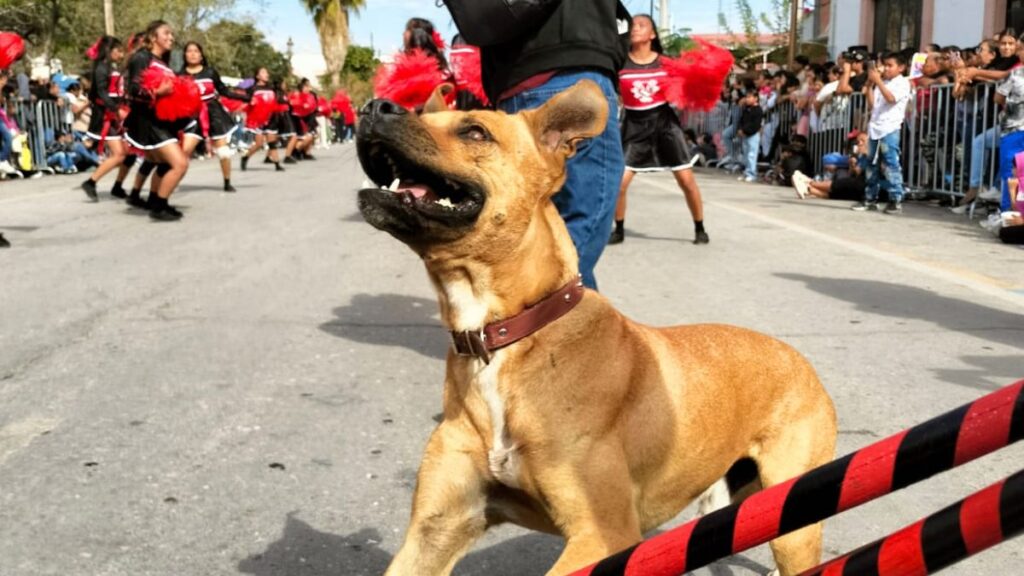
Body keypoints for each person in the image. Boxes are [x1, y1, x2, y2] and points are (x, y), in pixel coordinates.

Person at [442, 0, 628, 289]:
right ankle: (531, 317)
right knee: (579, 227)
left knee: (526, 224)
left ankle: (515, 310)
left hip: (513, 86)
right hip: (570, 71)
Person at [608, 14, 708, 246]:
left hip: (665, 125)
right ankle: (619, 228)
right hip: (633, 125)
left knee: (686, 180)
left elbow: (687, 88)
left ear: (652, 35)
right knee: (619, 183)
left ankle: (700, 227)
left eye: (642, 26)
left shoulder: (666, 63)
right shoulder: (620, 63)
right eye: (632, 26)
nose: (635, 29)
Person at [123, 20, 191, 221]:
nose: (171, 37)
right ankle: (158, 207)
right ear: (153, 37)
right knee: (179, 164)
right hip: (148, 122)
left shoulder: (163, 62)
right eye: (166, 33)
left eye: (172, 34)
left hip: (163, 122)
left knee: (164, 164)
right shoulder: (142, 58)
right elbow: (133, 90)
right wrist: (157, 92)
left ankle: (157, 200)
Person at [179, 41, 247, 192]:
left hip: (214, 113)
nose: (193, 54)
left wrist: (246, 98)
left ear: (201, 54)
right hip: (192, 115)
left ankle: (227, 182)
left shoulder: (210, 72)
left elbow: (224, 91)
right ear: (184, 55)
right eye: (189, 51)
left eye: (196, 51)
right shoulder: (179, 75)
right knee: (183, 152)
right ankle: (172, 181)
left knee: (223, 152)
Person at [852, 51, 911, 214]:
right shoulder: (882, 83)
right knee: (871, 163)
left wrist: (878, 82)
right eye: (884, 65)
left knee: (891, 163)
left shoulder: (902, 83)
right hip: (875, 128)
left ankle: (896, 199)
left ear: (901, 68)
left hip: (890, 128)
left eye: (890, 66)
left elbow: (891, 98)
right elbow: (873, 106)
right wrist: (871, 85)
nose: (886, 69)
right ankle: (870, 197)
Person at [80, 36, 128, 201]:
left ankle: (116, 185)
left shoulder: (111, 67)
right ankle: (91, 182)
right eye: (118, 51)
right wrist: (116, 109)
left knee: (125, 153)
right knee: (119, 154)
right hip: (105, 116)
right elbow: (100, 93)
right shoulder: (101, 68)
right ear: (109, 50)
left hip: (113, 114)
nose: (121, 55)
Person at [793, 131, 868, 200]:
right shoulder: (861, 157)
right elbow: (855, 173)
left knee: (851, 184)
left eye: (863, 141)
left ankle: (808, 182)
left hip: (866, 186)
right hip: (860, 185)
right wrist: (853, 165)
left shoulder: (873, 157)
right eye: (858, 142)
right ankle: (809, 189)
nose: (860, 144)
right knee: (846, 190)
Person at [241, 67, 283, 172]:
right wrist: (251, 103)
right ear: (258, 76)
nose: (267, 74)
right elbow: (246, 102)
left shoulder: (271, 88)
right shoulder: (252, 89)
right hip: (258, 120)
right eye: (264, 72)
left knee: (272, 142)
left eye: (267, 72)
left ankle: (277, 163)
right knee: (259, 144)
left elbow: (275, 102)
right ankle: (245, 157)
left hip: (270, 118)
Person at [737, 89, 763, 183]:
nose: (747, 99)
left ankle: (752, 174)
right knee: (746, 155)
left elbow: (756, 125)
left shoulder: (758, 110)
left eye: (749, 97)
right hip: (745, 135)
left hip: (752, 135)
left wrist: (745, 131)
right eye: (746, 97)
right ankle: (746, 172)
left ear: (756, 98)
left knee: (752, 155)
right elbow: (741, 120)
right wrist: (740, 129)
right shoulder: (746, 109)